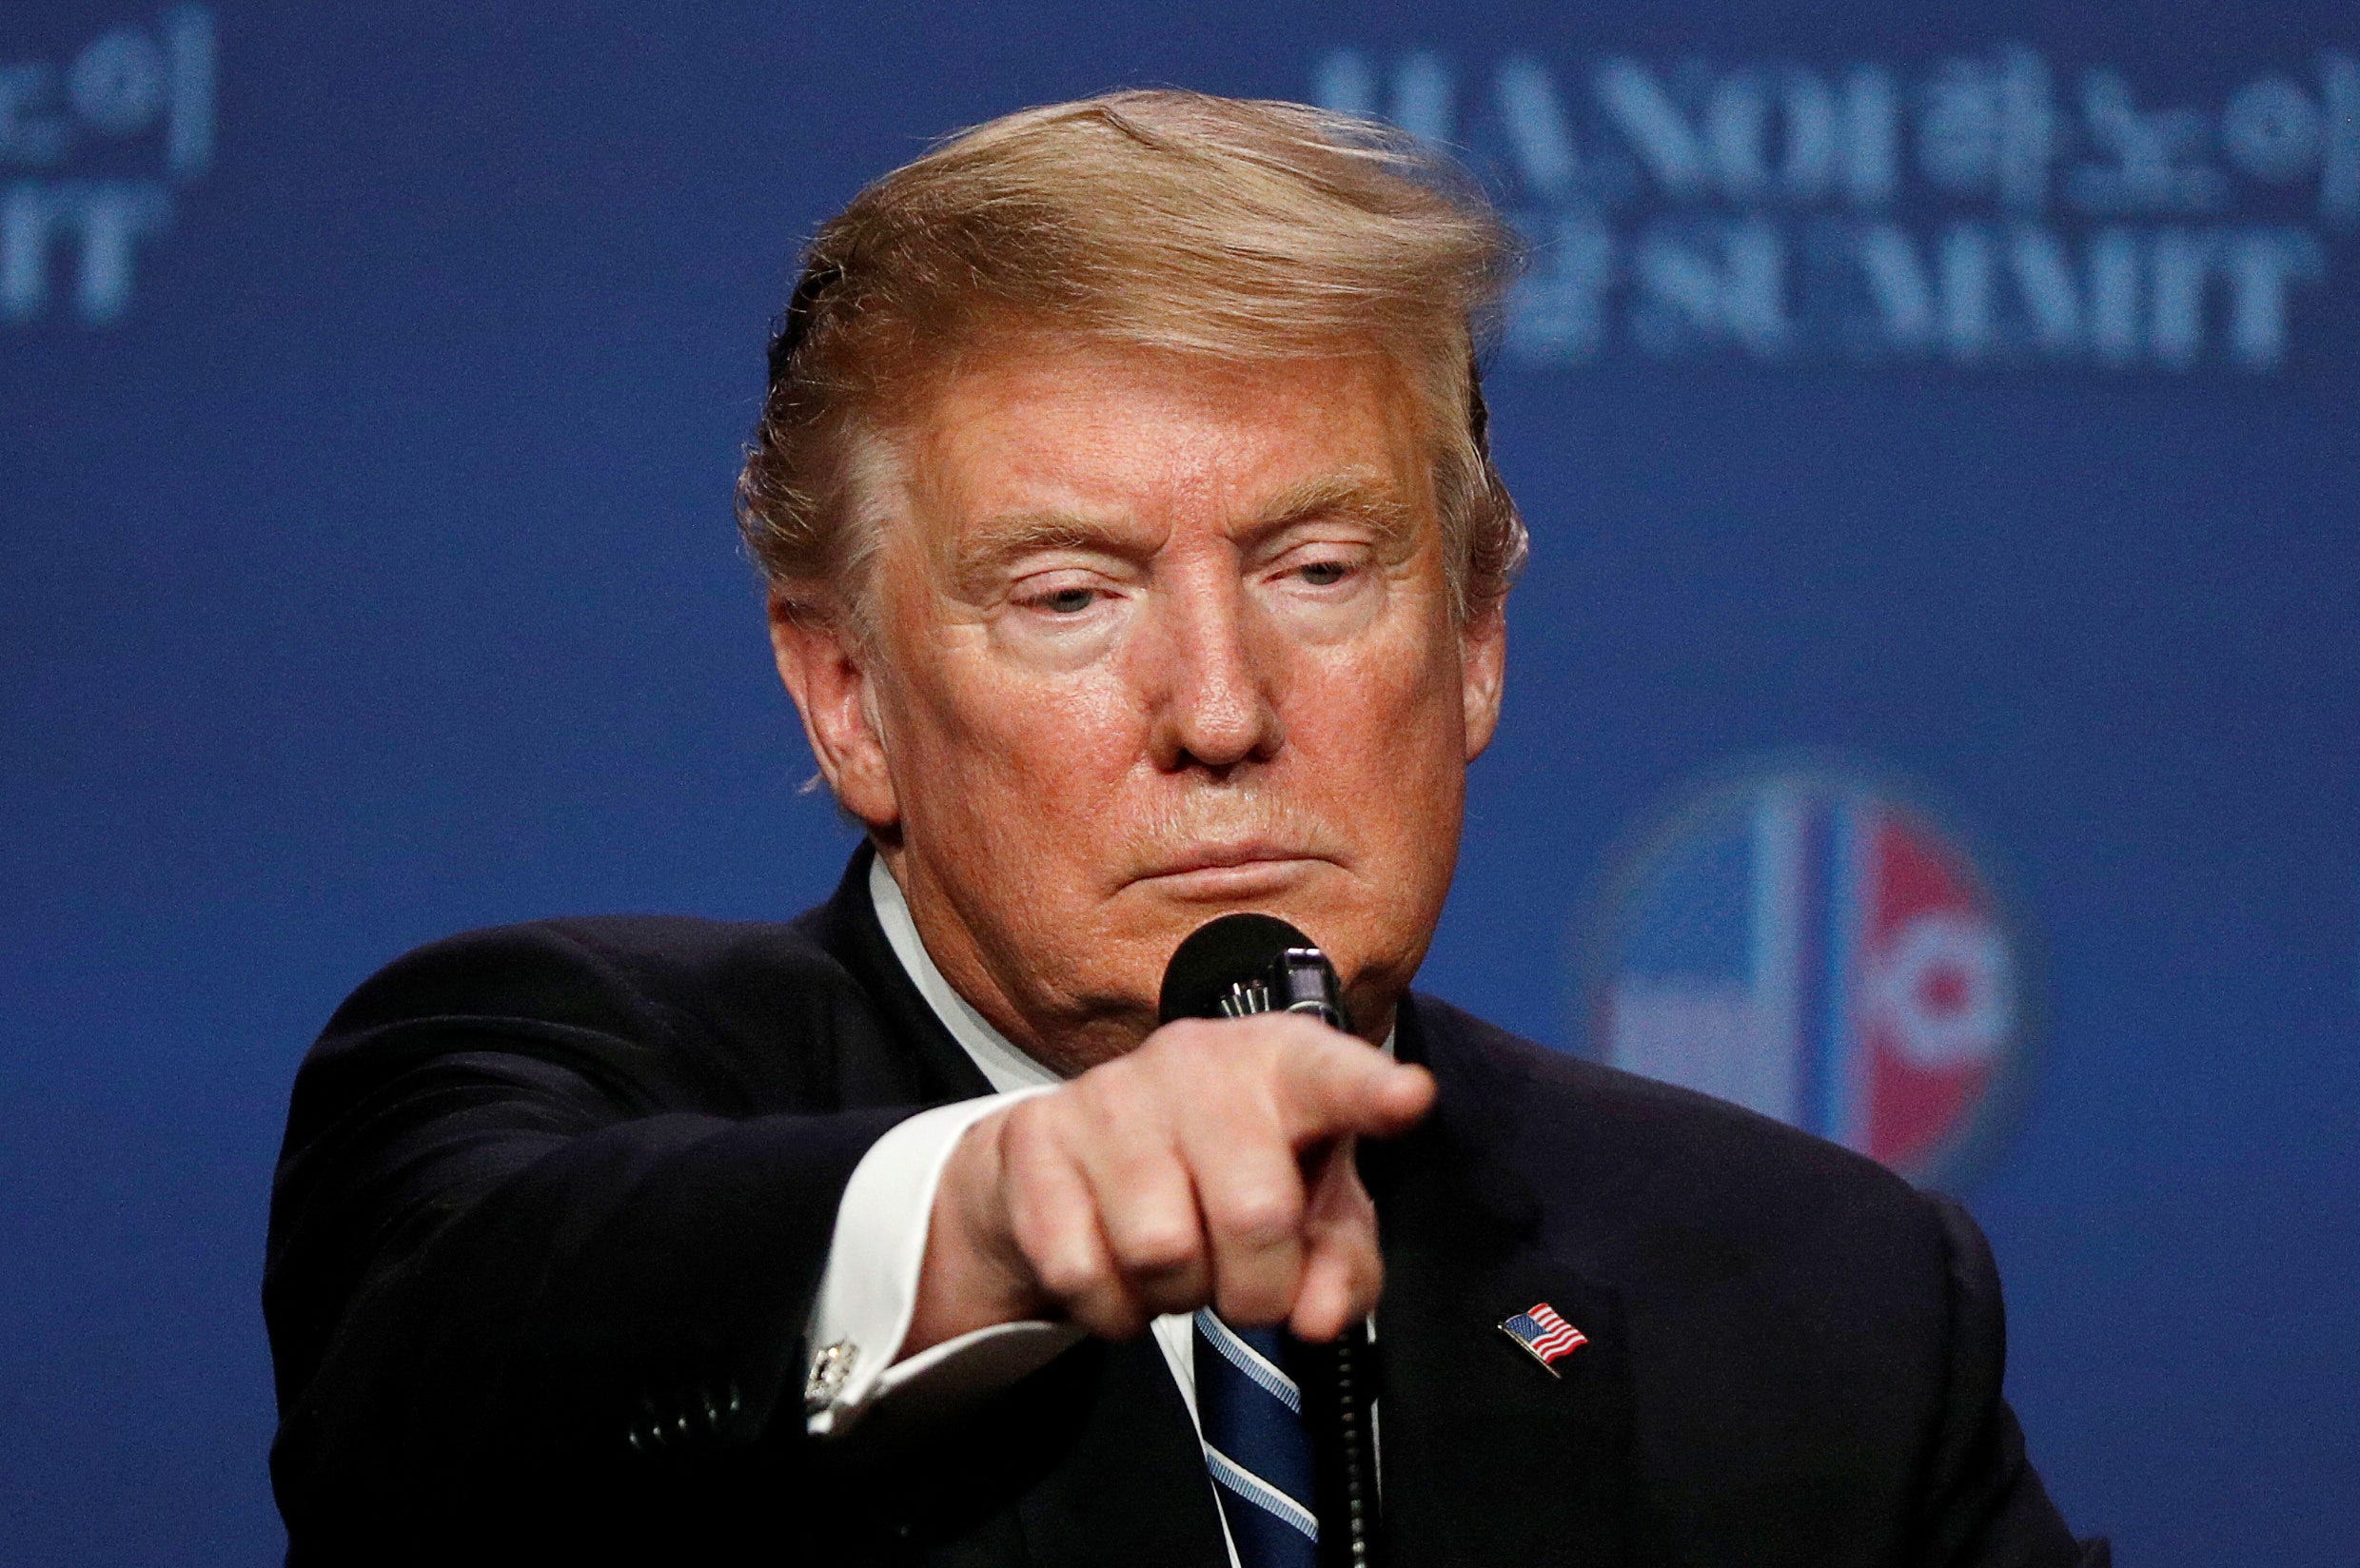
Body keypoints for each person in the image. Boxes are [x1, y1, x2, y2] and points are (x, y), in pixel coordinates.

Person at [264, 90, 2103, 1567]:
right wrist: (1003, 1206)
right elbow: (427, 1396)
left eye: (1318, 571)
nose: (1219, 711)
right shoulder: (540, 1073)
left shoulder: (1818, 1293)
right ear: (846, 698)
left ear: (1471, 643)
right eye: (1070, 597)